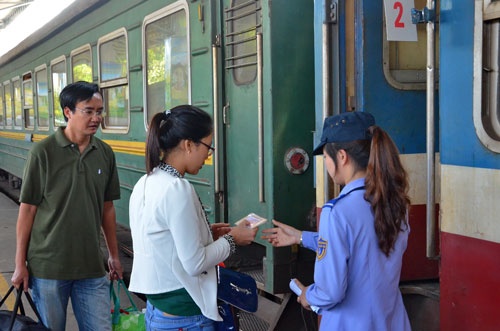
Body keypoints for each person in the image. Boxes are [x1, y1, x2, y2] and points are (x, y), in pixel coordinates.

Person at [262, 111, 411, 330]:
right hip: (391, 321)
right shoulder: (396, 203)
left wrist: (308, 296)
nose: (326, 165)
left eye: (325, 157)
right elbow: (363, 244)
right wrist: (301, 237)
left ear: (341, 157)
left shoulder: (337, 212)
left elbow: (330, 292)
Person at [128, 105, 258, 331]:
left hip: (159, 310)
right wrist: (232, 239)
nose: (209, 153)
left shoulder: (146, 181)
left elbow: (164, 240)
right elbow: (195, 263)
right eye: (208, 146)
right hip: (185, 316)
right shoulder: (177, 189)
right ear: (188, 145)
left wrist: (207, 234)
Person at [11, 81, 123, 331]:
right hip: (48, 269)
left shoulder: (105, 153)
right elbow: (27, 210)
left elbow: (107, 208)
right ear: (68, 111)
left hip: (91, 266)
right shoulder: (43, 152)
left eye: (100, 111)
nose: (97, 118)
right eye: (89, 111)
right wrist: (20, 265)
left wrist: (114, 256)